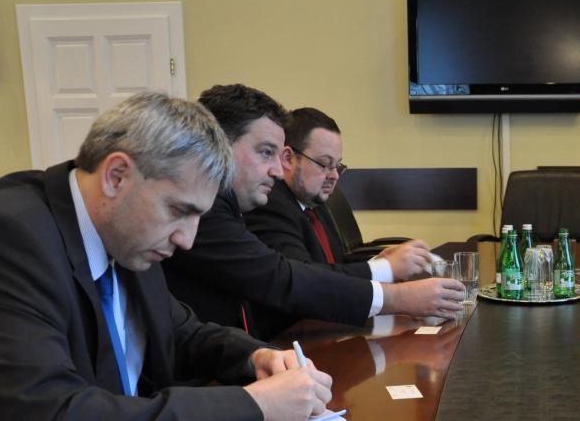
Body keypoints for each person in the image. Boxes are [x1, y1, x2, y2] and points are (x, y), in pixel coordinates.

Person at [0, 93, 333, 421]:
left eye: (199, 216)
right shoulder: (8, 235)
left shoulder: (126, 231)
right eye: (179, 211)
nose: (187, 240)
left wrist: (257, 356)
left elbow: (181, 331)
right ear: (117, 176)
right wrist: (253, 405)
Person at [162, 85, 463, 340]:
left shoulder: (232, 204)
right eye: (266, 152)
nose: (277, 170)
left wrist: (257, 358)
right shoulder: (208, 211)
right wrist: (400, 297)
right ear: (218, 146)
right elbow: (283, 278)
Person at [245, 106, 431, 279]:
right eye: (325, 164)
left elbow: (334, 265)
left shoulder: (313, 200)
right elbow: (304, 279)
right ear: (288, 159)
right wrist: (385, 269)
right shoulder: (270, 206)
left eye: (337, 165)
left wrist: (378, 261)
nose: (334, 175)